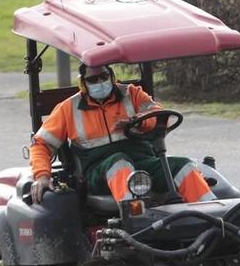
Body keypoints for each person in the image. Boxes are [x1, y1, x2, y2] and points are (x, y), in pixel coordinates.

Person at [27, 62, 214, 206]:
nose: (99, 82)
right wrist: (42, 176)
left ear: (112, 76)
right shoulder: (68, 108)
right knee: (119, 162)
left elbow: (159, 117)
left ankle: (214, 219)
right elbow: (41, 143)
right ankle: (137, 220)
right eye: (92, 80)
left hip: (144, 163)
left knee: (184, 166)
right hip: (97, 172)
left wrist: (138, 122)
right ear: (82, 84)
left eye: (104, 76)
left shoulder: (132, 94)